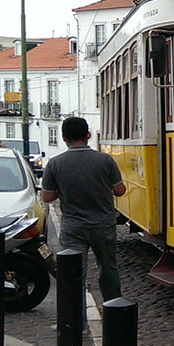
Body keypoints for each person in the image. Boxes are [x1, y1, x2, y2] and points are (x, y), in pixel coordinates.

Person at [40, 117, 126, 302]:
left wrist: (62, 190)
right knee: (108, 268)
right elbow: (119, 191)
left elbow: (46, 197)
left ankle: (76, 322)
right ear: (88, 135)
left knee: (74, 273)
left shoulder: (55, 163)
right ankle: (114, 310)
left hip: (73, 226)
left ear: (63, 137)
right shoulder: (105, 160)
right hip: (103, 224)